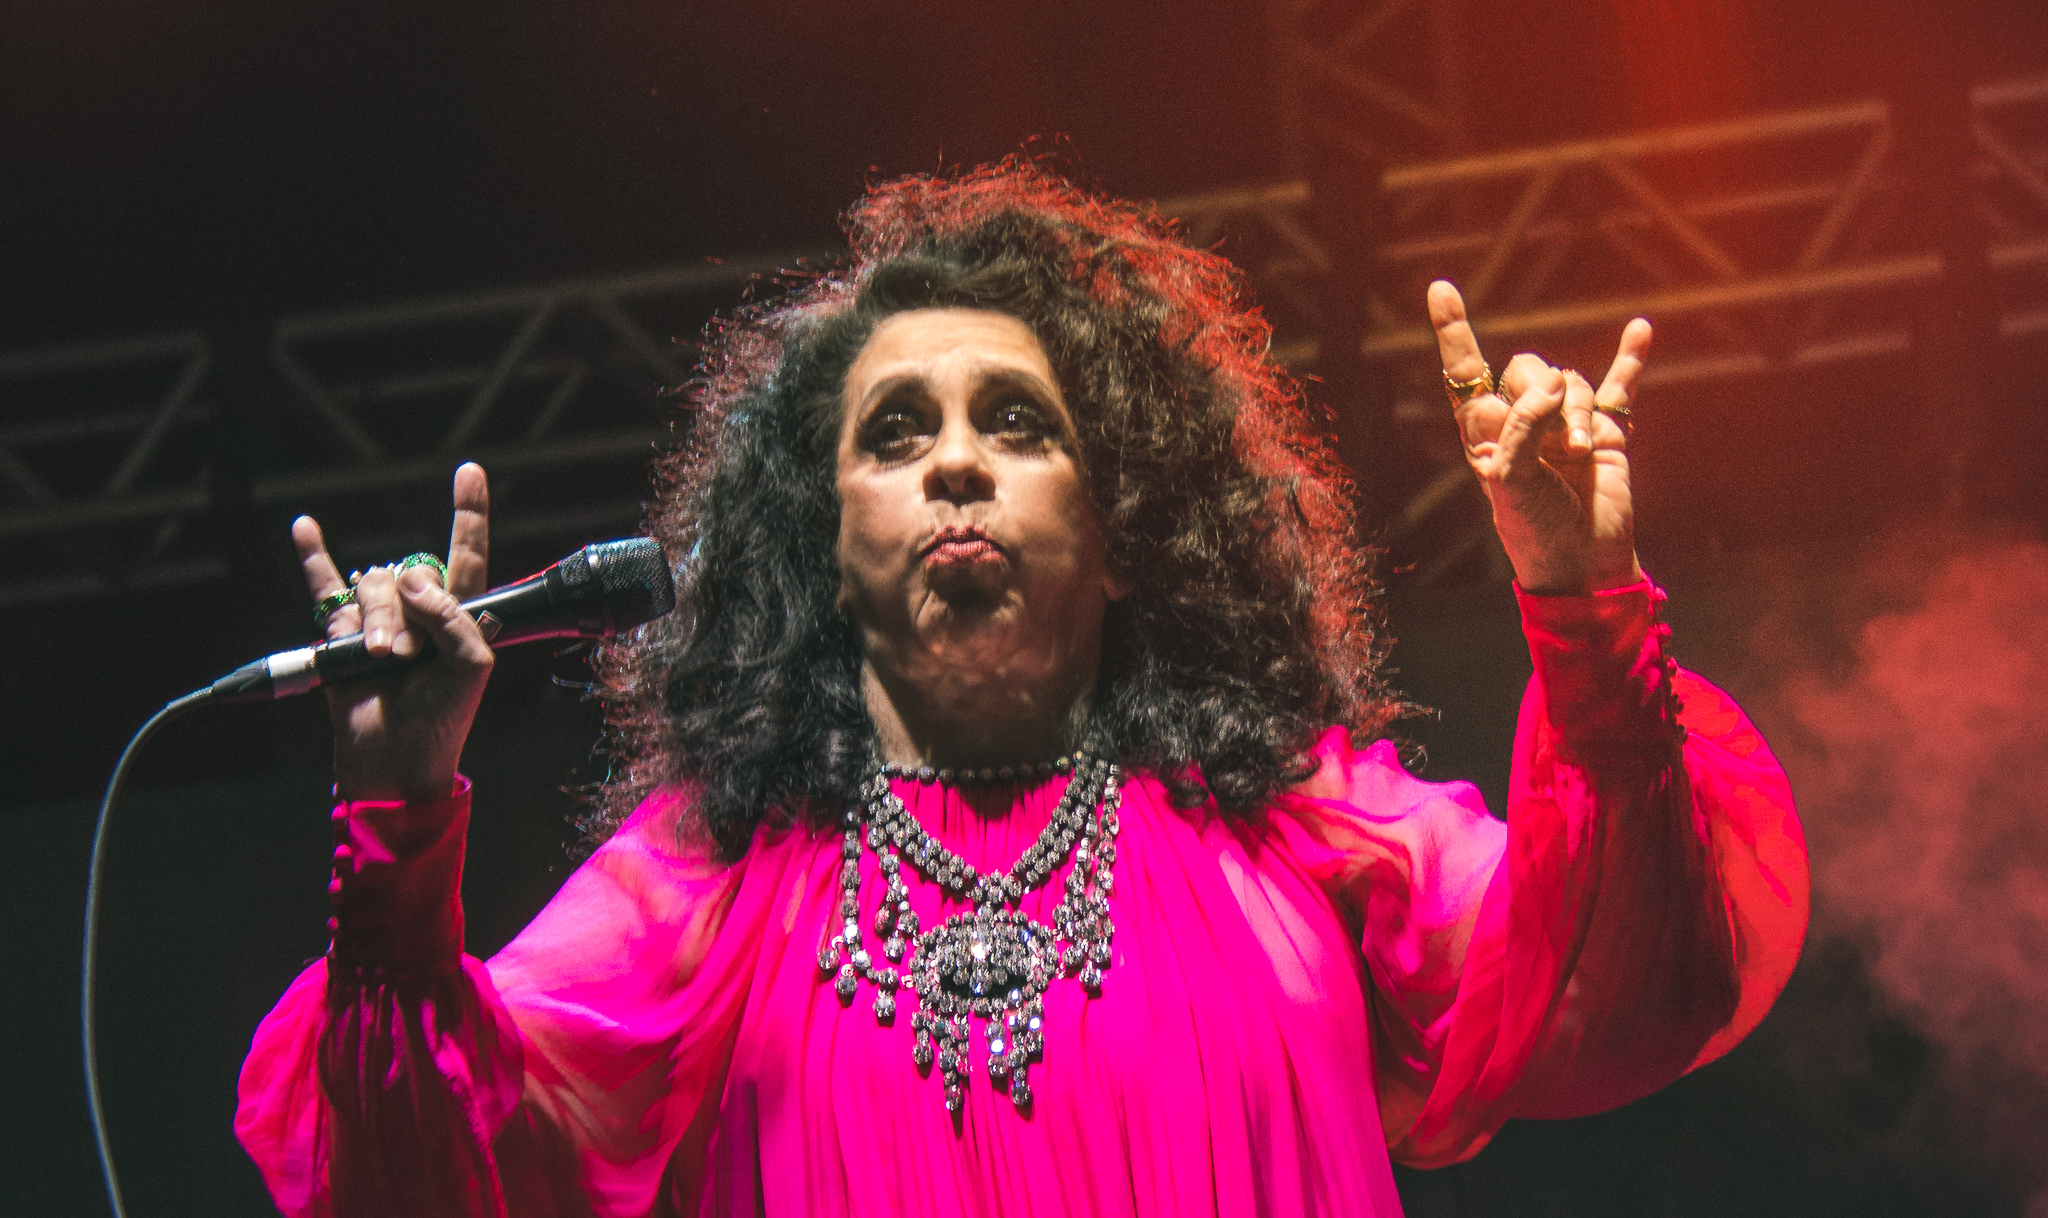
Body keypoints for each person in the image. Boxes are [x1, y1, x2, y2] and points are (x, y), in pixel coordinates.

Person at [235, 162, 1808, 1217]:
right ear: (821, 547)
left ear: (1120, 537)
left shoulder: (1303, 829)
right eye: (895, 433)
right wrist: (398, 821)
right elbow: (418, 1172)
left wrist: (1580, 602)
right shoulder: (701, 892)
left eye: (1017, 421)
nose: (958, 461)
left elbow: (1616, 971)